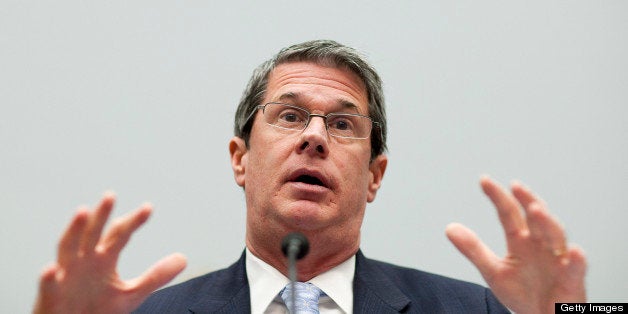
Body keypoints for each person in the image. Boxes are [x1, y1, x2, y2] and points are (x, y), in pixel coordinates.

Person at [33, 40, 587, 313]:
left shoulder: (474, 310)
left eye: (343, 123)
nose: (315, 137)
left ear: (374, 177)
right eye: (290, 115)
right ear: (240, 159)